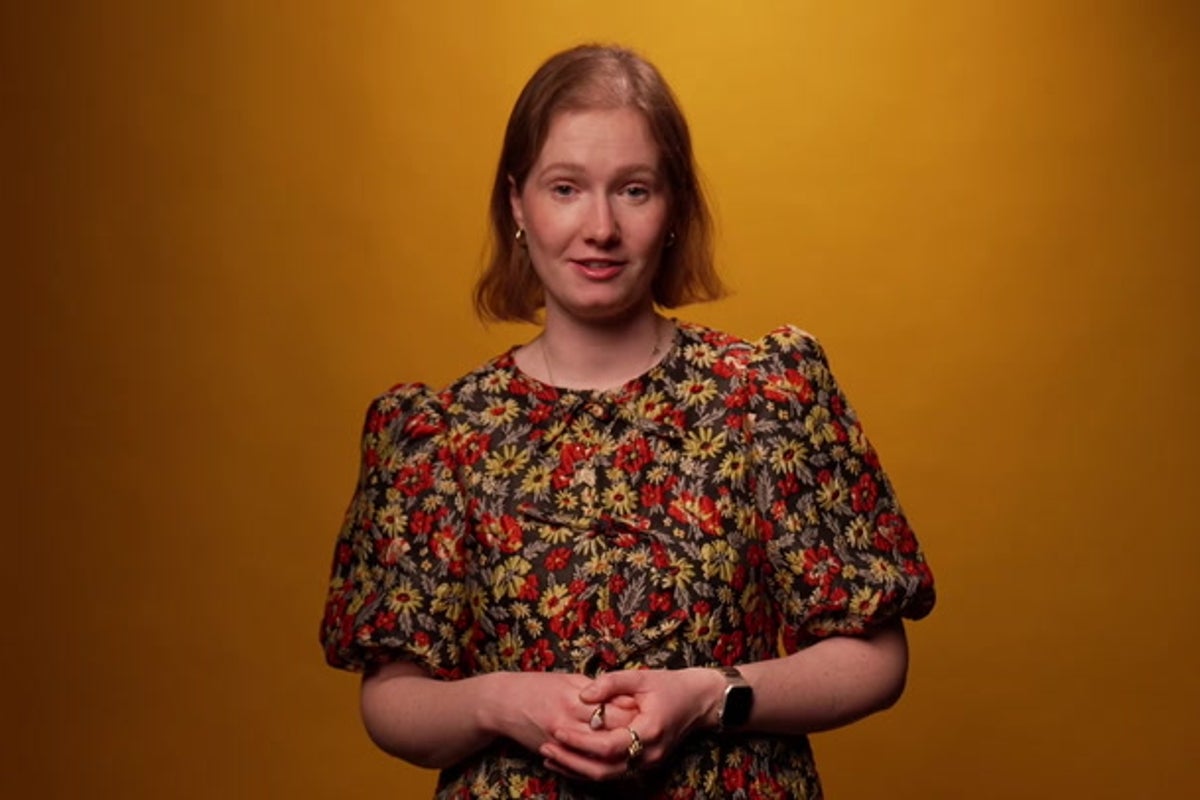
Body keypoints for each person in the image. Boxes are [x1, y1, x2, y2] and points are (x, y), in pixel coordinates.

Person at [320, 43, 935, 799]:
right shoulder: (443, 436)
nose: (601, 227)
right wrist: (501, 702)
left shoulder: (764, 398)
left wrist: (710, 695)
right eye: (566, 188)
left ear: (673, 206)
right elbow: (391, 699)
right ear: (518, 204)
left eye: (633, 190)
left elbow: (876, 657)